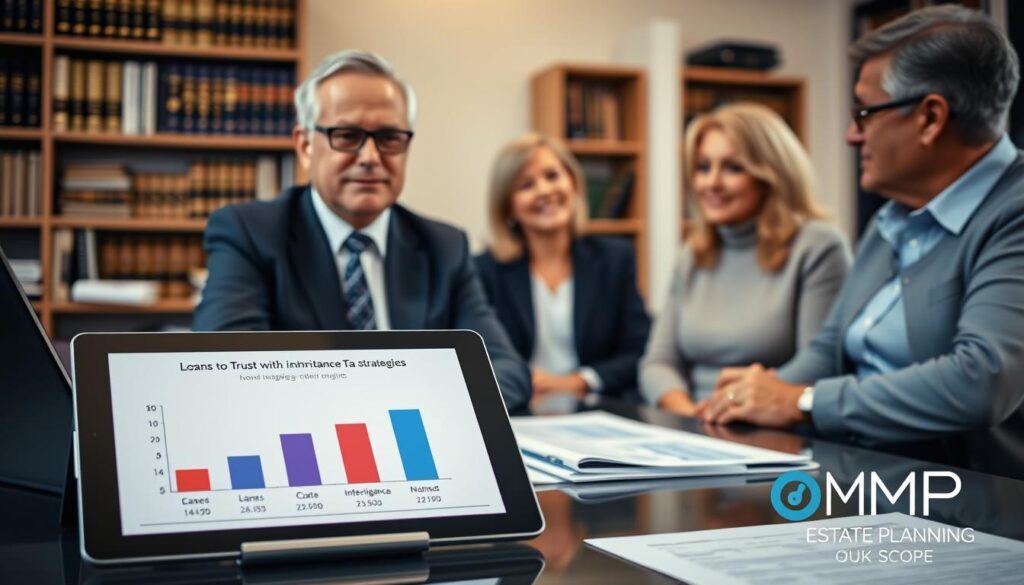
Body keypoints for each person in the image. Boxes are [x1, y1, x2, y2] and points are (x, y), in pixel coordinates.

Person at [699, 5, 1024, 444]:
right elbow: (827, 350)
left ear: (930, 118)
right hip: (864, 476)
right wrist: (750, 398)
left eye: (865, 113)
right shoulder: (891, 217)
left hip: (962, 499)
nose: (852, 134)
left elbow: (981, 380)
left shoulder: (1013, 211)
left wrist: (800, 401)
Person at [192, 50, 531, 410]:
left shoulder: (444, 247)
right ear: (305, 146)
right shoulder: (250, 233)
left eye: (389, 137)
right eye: (348, 135)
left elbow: (507, 370)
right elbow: (226, 366)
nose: (370, 156)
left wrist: (407, 413)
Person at [640, 103, 851, 416]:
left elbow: (820, 363)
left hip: (776, 430)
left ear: (771, 174)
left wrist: (726, 407)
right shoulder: (692, 254)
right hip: (696, 423)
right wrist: (691, 414)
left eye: (733, 167)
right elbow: (657, 363)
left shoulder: (817, 247)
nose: (711, 183)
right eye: (702, 167)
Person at [475, 133, 650, 404]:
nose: (545, 190)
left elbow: (638, 350)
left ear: (574, 183)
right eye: (526, 185)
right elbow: (480, 356)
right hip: (519, 409)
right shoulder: (484, 271)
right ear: (508, 206)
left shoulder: (616, 258)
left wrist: (577, 381)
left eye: (552, 176)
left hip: (596, 408)